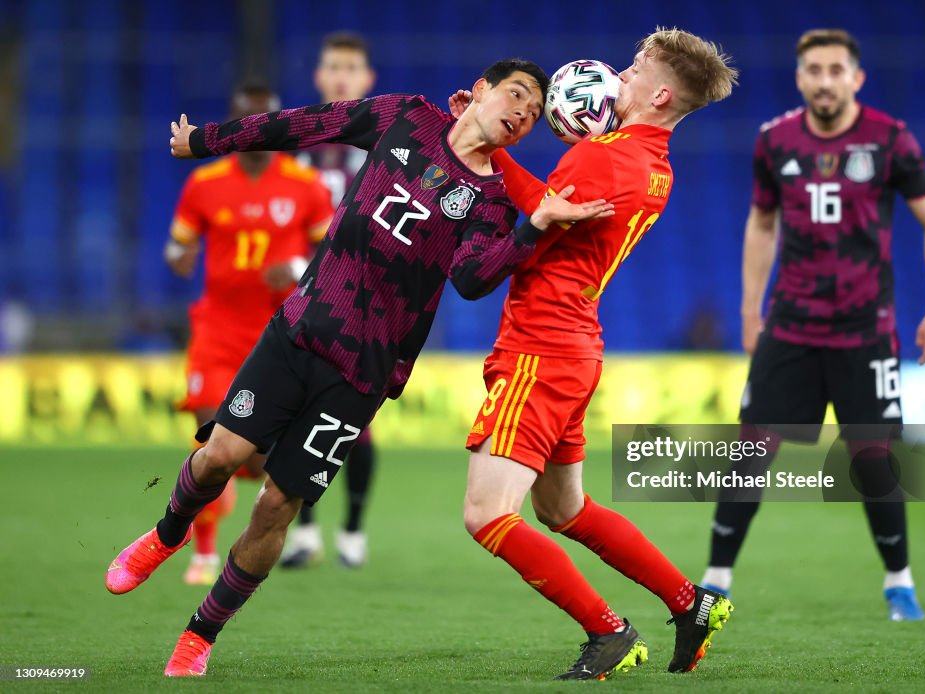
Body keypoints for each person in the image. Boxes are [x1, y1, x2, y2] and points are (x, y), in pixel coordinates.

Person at [106, 59, 615, 677]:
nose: (521, 115)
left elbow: (474, 279)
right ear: (479, 91)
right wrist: (206, 141)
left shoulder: (493, 198)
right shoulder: (403, 116)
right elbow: (305, 125)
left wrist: (531, 228)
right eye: (514, 96)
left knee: (277, 505)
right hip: (299, 329)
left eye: (533, 114)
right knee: (218, 454)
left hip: (364, 372)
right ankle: (166, 534)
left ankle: (200, 636)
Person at [453, 28, 738, 679]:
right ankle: (690, 602)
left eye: (636, 68)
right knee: (564, 509)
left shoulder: (599, 157)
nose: (620, 72)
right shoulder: (653, 163)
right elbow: (550, 206)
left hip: (540, 346)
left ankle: (609, 633)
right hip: (576, 345)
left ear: (661, 92)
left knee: (486, 514)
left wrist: (482, 145)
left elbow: (533, 228)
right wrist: (502, 155)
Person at [700, 29, 925, 622]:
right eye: (813, 69)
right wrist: (749, 309)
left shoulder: (891, 140)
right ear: (800, 78)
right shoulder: (774, 140)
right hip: (791, 325)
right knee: (752, 450)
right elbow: (761, 224)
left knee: (872, 458)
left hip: (867, 328)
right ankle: (715, 578)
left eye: (836, 69)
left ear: (855, 78)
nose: (824, 79)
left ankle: (900, 582)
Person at [164, 83, 334, 585]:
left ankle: (238, 515)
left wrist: (298, 263)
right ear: (234, 123)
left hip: (277, 337)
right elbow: (178, 247)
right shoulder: (206, 181)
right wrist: (180, 257)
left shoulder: (305, 185)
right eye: (244, 119)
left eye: (263, 120)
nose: (254, 129)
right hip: (217, 329)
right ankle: (203, 552)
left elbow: (333, 258)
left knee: (256, 464)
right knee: (210, 440)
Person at [279, 31, 380, 570]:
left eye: (351, 68)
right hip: (301, 299)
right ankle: (304, 532)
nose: (341, 76)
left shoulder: (387, 145)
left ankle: (353, 531)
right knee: (286, 414)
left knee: (354, 424)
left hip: (362, 305)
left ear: (367, 81)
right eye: (333, 67)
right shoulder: (298, 145)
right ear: (320, 77)